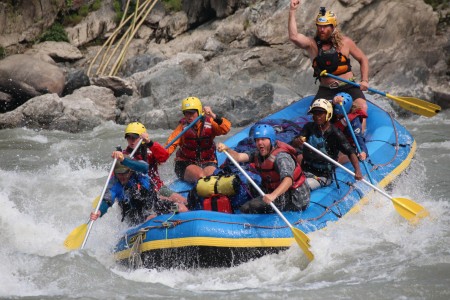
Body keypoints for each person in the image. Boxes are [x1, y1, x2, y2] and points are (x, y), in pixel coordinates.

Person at [288, 1, 370, 128]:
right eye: (319, 26)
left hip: (349, 87)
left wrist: (364, 80)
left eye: (325, 26)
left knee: (362, 107)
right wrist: (292, 11)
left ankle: (361, 138)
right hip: (326, 90)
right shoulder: (312, 44)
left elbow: (363, 59)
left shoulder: (345, 43)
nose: (321, 29)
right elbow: (294, 37)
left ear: (333, 27)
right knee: (317, 117)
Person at [217, 124, 310, 214]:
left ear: (271, 140)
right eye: (257, 140)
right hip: (276, 191)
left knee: (248, 207)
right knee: (249, 185)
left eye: (263, 139)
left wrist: (273, 196)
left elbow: (288, 180)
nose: (260, 143)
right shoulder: (259, 153)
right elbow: (238, 157)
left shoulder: (281, 157)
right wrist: (227, 149)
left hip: (295, 197)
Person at [292, 98, 363, 190]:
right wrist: (297, 141)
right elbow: (295, 142)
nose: (317, 116)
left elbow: (350, 151)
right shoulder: (309, 127)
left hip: (323, 175)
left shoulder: (335, 133)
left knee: (299, 187)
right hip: (305, 169)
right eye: (315, 114)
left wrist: (357, 170)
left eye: (320, 114)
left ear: (328, 114)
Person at [120, 122, 188, 212]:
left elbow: (164, 157)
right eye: (129, 137)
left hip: (158, 187)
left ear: (141, 138)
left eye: (134, 137)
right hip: (143, 193)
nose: (131, 140)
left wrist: (149, 143)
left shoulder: (150, 152)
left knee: (183, 201)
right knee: (179, 208)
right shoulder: (124, 157)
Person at [165, 96, 231, 183]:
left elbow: (225, 129)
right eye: (186, 113)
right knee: (201, 176)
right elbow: (170, 145)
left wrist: (212, 115)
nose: (189, 116)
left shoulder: (210, 122)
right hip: (185, 163)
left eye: (192, 113)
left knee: (214, 178)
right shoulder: (181, 128)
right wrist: (159, 157)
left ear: (199, 111)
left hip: (208, 161)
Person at [90, 159, 176, 226]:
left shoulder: (139, 174)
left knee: (179, 208)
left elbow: (145, 167)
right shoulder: (115, 185)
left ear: (130, 171)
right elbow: (107, 200)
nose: (122, 177)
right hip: (134, 216)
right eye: (119, 173)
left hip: (153, 205)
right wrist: (99, 212)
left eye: (124, 173)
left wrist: (124, 160)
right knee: (151, 217)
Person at [332, 92, 368, 161]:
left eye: (339, 114)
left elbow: (359, 139)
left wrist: (363, 152)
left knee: (338, 159)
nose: (337, 115)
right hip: (334, 138)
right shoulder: (334, 108)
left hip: (348, 143)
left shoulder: (354, 122)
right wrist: (333, 102)